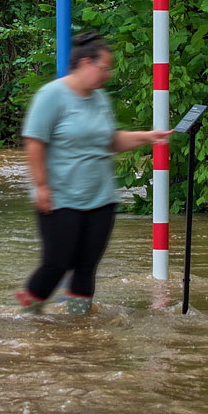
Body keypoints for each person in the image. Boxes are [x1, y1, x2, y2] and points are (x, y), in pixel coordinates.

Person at [15, 32, 171, 316]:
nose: (108, 75)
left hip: (100, 199)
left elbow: (110, 141)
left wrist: (149, 137)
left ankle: (79, 326)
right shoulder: (51, 95)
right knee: (56, 264)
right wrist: (41, 186)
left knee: (87, 267)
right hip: (61, 198)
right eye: (105, 68)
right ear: (86, 63)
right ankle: (26, 319)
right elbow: (34, 141)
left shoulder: (99, 99)